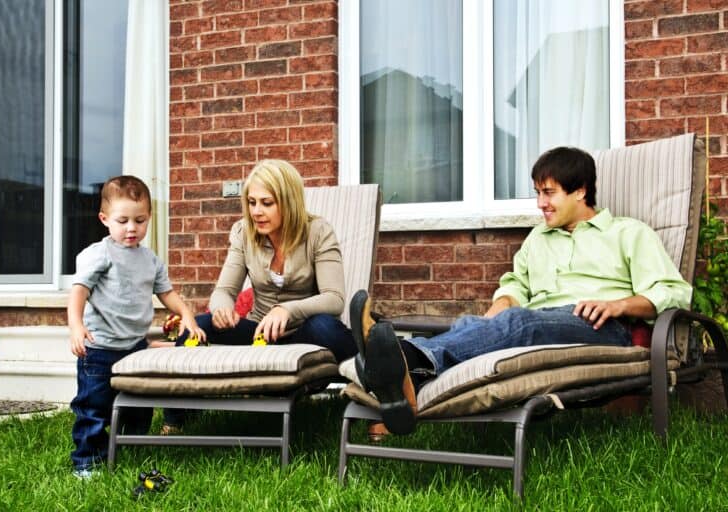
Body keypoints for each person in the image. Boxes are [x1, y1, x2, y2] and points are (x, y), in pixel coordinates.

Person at [351, 146, 692, 435]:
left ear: (580, 191)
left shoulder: (628, 233)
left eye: (549, 193)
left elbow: (673, 291)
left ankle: (404, 358)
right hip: (541, 322)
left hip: (603, 327)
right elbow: (516, 285)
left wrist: (618, 305)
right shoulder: (538, 238)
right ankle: (407, 380)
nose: (540, 203)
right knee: (476, 324)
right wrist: (503, 302)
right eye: (538, 193)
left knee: (520, 323)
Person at [162, 160, 358, 431]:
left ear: (289, 201)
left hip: (304, 333)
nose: (256, 211)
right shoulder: (244, 233)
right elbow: (224, 291)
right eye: (252, 202)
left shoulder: (318, 232)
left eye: (267, 203)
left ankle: (372, 379)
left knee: (325, 325)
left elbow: (334, 299)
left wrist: (287, 310)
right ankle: (176, 420)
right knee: (199, 326)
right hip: (259, 334)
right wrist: (222, 308)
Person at [68, 175, 204, 479]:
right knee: (93, 407)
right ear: (105, 219)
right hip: (100, 349)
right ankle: (87, 462)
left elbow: (166, 293)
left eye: (140, 220)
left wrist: (186, 314)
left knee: (139, 403)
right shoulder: (99, 254)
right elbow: (79, 291)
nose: (132, 228)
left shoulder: (150, 259)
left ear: (149, 217)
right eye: (123, 221)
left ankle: (128, 444)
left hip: (134, 346)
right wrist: (76, 326)